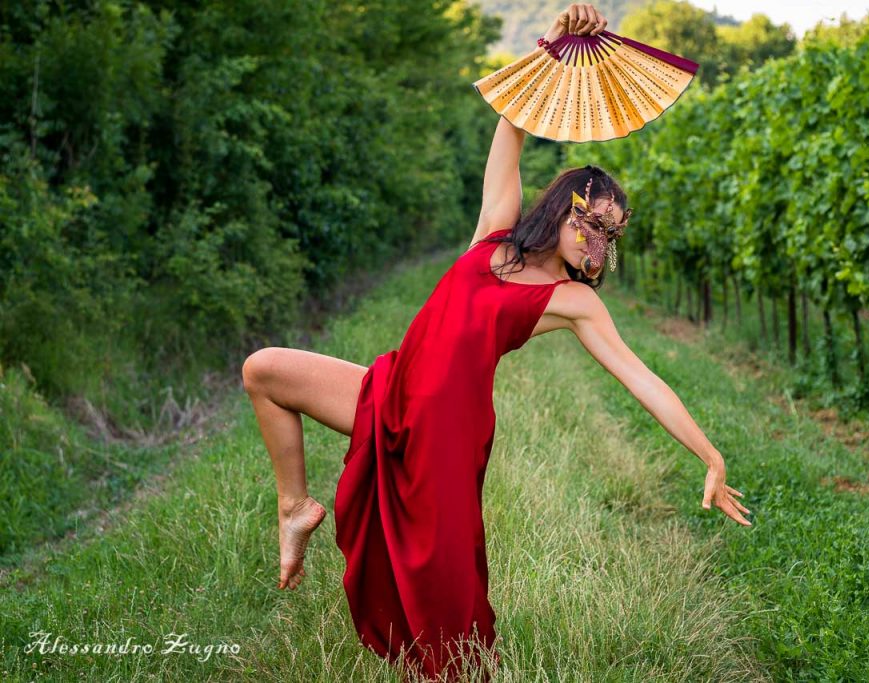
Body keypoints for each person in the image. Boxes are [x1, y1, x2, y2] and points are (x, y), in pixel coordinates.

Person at [241, 3, 751, 680]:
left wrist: (710, 455)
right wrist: (557, 46)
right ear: (568, 204)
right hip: (391, 388)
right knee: (263, 369)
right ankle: (295, 506)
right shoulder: (496, 231)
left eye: (614, 235)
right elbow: (511, 119)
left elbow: (641, 377)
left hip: (447, 436)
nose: (601, 246)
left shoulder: (572, 303)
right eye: (596, 225)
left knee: (444, 605)